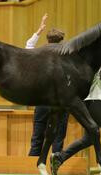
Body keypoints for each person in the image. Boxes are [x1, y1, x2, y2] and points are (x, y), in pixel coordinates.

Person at [25, 14, 69, 156]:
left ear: (48, 40)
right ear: (61, 41)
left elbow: (28, 46)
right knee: (58, 137)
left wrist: (39, 30)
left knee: (37, 136)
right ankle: (55, 164)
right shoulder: (67, 55)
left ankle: (32, 164)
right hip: (60, 101)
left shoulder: (38, 54)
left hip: (42, 101)